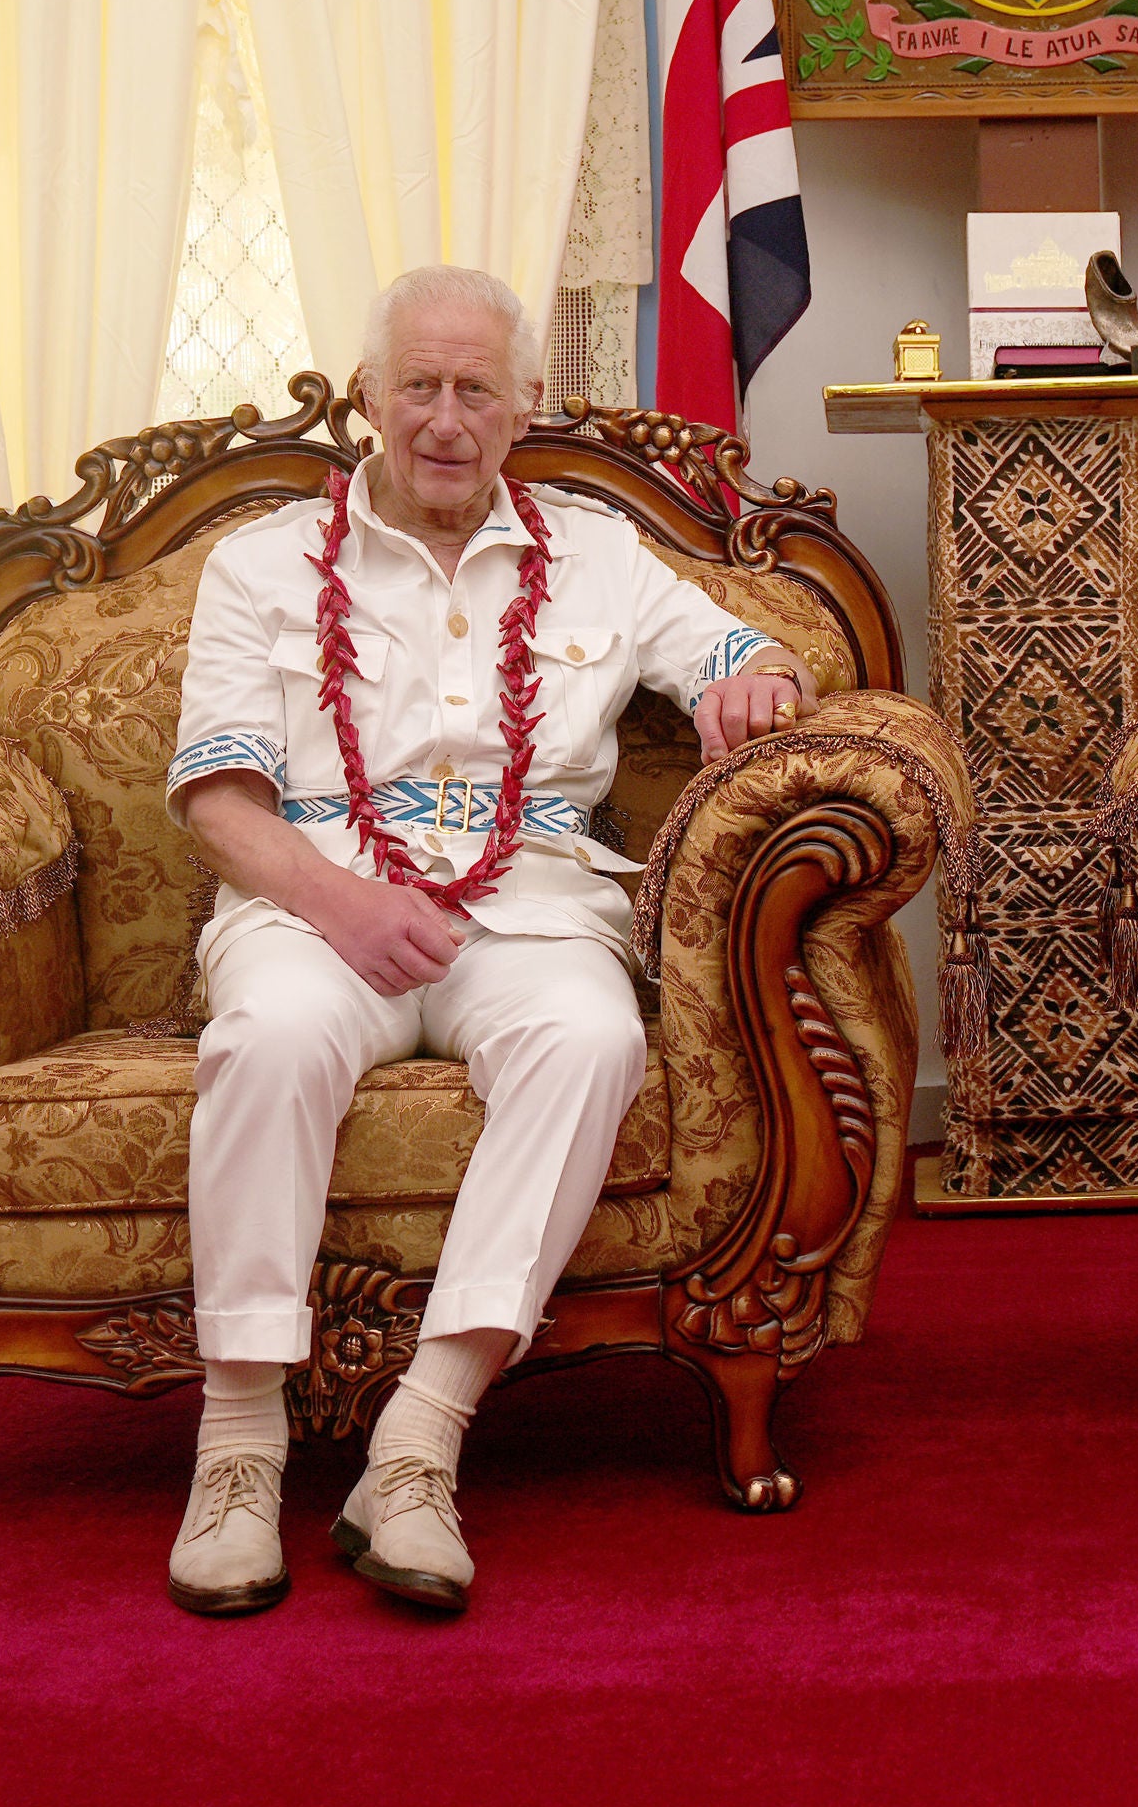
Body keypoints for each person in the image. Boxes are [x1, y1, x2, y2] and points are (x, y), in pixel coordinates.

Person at [157, 265, 817, 1618]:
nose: (445, 418)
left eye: (476, 389)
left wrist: (756, 679)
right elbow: (216, 797)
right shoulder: (260, 562)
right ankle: (236, 1448)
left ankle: (420, 1437)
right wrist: (342, 903)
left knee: (593, 1035)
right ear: (368, 400)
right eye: (419, 385)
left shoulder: (600, 554)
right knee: (271, 1032)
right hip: (315, 902)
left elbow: (745, 651)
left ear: (523, 408)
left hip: (527, 911)